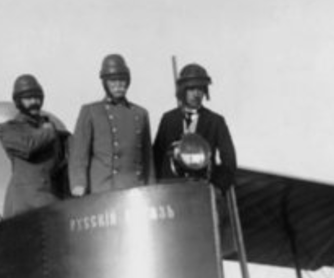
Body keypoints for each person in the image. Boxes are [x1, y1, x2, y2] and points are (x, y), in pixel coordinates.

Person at [68, 54, 152, 197]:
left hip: (135, 190)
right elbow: (79, 155)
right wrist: (78, 184)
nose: (118, 85)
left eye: (122, 80)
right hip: (104, 190)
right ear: (105, 83)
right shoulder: (91, 111)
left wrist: (151, 188)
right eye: (113, 80)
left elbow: (148, 159)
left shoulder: (140, 113)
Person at [152, 63, 237, 191]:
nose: (196, 94)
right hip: (171, 192)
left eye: (200, 89)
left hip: (203, 192)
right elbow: (156, 157)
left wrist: (217, 188)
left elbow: (229, 162)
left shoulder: (216, 121)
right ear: (182, 91)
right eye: (191, 89)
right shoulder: (168, 119)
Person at [0, 74, 67, 217]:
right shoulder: (10, 129)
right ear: (18, 102)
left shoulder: (50, 128)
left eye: (37, 97)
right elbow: (28, 147)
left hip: (49, 198)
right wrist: (48, 131)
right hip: (26, 205)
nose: (34, 102)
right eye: (28, 98)